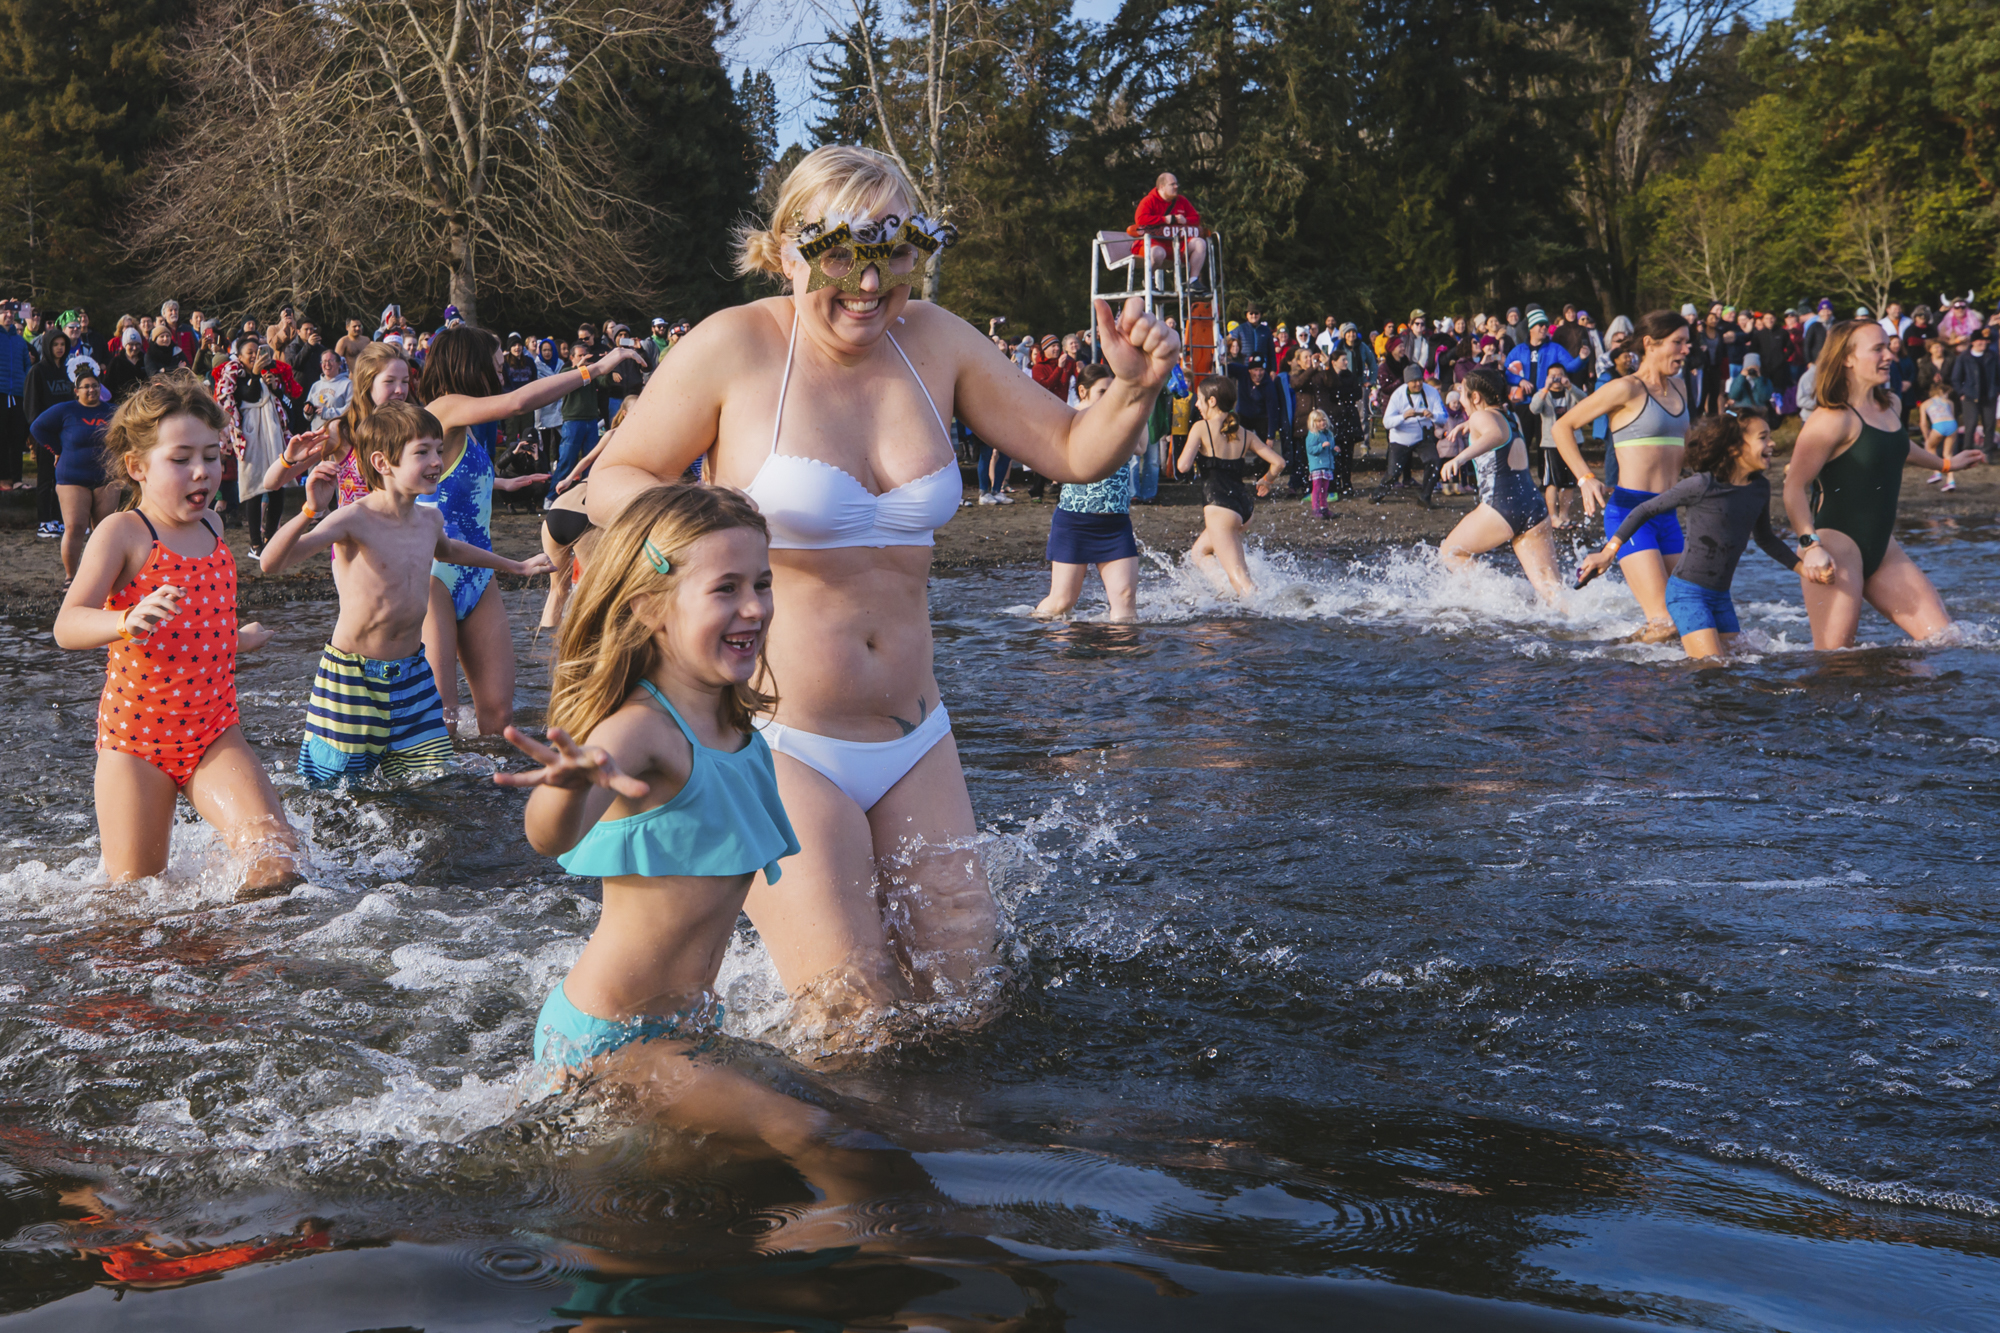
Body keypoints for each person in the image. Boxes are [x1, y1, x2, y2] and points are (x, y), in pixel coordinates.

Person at [583, 145, 1176, 1034]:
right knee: (858, 1023)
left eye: (894, 252)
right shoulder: (736, 346)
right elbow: (612, 478)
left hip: (916, 734)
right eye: (843, 254)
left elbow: (1073, 449)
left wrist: (1131, 391)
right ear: (789, 251)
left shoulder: (935, 340)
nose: (870, 282)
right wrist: (700, 523)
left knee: (970, 1008)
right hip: (780, 735)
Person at [51, 372, 299, 899]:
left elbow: (195, 624)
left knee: (276, 863)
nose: (202, 471)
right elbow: (66, 625)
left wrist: (235, 638)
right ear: (137, 467)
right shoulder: (125, 533)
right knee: (138, 902)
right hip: (135, 742)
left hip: (213, 730)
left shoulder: (212, 523)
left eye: (212, 456)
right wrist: (123, 620)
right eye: (181, 458)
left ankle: (246, 969)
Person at [259, 401, 554, 780]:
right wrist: (308, 511)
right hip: (352, 677)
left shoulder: (429, 518)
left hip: (413, 675)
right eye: (422, 452)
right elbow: (271, 563)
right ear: (383, 463)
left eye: (438, 449)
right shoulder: (355, 518)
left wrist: (516, 565)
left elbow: (450, 550)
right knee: (334, 788)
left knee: (432, 780)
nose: (436, 461)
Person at [416, 325, 621, 736]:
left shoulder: (465, 422)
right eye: (495, 361)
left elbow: (454, 482)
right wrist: (593, 369)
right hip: (434, 574)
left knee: (498, 717)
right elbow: (518, 402)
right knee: (444, 720)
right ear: (471, 363)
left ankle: (489, 792)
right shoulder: (444, 407)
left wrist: (504, 483)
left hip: (479, 573)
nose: (501, 369)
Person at [1782, 320, 1984, 649]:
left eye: (1889, 347)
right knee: (1836, 663)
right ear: (1847, 358)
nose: (1889, 355)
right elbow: (1793, 487)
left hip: (1883, 547)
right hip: (1835, 549)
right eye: (1877, 349)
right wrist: (1811, 545)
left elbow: (1899, 446)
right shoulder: (1831, 419)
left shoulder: (1889, 403)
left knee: (1946, 640)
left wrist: (1947, 463)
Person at [1577, 409, 1816, 659]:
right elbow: (1644, 510)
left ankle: (1641, 646)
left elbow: (1766, 539)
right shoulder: (1702, 485)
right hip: (1687, 594)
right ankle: (1621, 656)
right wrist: (1608, 552)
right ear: (1734, 448)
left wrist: (1805, 570)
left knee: (1741, 664)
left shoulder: (1759, 488)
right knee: (1713, 668)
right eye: (1763, 437)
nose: (1772, 443)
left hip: (1721, 597)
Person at [1548, 309, 1693, 641]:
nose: (1686, 350)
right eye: (1678, 342)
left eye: (1687, 343)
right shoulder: (1626, 388)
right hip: (1630, 513)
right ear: (1649, 344)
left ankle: (1630, 654)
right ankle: (1616, 669)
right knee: (1665, 623)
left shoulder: (1682, 388)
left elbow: (1683, 449)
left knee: (1689, 617)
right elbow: (1562, 426)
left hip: (1668, 514)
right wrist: (1585, 477)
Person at [1436, 368, 1565, 606]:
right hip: (1533, 506)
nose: (1461, 401)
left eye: (1463, 394)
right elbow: (1499, 431)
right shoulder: (1510, 416)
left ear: (1476, 397)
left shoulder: (1480, 418)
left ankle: (1501, 599)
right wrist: (1467, 427)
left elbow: (1494, 434)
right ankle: (1578, 621)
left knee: (1451, 552)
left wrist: (1459, 458)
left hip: (1501, 506)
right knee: (1551, 589)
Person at [1033, 363, 1144, 621]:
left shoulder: (1123, 417)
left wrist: (1139, 405)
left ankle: (1122, 659)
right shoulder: (1071, 417)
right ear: (1083, 391)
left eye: (1112, 392)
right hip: (1075, 521)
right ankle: (1030, 631)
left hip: (1115, 523)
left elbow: (1140, 447)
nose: (1109, 399)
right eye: (1102, 392)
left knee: (1125, 601)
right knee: (1061, 601)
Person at [1176, 373, 1286, 596]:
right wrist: (1267, 480)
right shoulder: (1244, 434)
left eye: (1199, 399)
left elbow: (1182, 467)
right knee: (1198, 553)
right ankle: (1226, 594)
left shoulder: (1201, 427)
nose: (1196, 404)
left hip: (1220, 509)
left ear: (1212, 401)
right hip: (1244, 508)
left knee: (1241, 578)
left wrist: (1190, 444)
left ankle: (1262, 611)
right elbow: (1279, 462)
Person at [31, 366, 117, 580]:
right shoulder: (65, 410)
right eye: (86, 387)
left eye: (95, 386)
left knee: (104, 530)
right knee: (75, 527)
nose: (91, 390)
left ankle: (100, 576)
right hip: (72, 477)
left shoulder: (113, 411)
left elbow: (130, 435)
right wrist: (56, 449)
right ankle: (71, 577)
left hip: (106, 478)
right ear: (76, 390)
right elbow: (37, 428)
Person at [1374, 365, 1444, 507]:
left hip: (1423, 435)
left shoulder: (1431, 392)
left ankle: (1425, 497)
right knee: (1393, 472)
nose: (1418, 384)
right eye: (1413, 381)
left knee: (1434, 461)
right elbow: (1386, 422)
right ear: (1407, 382)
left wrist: (1434, 416)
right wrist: (1402, 417)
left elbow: (1444, 417)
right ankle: (1377, 494)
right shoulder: (1397, 395)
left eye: (1420, 380)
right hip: (1400, 437)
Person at [1131, 172, 1209, 294]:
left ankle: (1193, 281)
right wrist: (1164, 219)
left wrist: (1186, 220)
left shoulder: (1182, 200)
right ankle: (1149, 280)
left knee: (1200, 243)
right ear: (1161, 187)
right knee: (1157, 252)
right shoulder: (1149, 200)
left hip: (1176, 246)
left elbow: (1196, 218)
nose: (1176, 187)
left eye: (1177, 184)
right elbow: (1140, 220)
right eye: (1172, 184)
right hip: (1153, 244)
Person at [1528, 366, 1584, 528]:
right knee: (1552, 481)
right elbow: (1534, 409)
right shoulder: (1542, 394)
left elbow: (1585, 400)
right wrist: (1546, 388)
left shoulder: (1571, 393)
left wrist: (1570, 386)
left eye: (1560, 375)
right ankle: (1552, 517)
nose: (1557, 379)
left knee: (1569, 482)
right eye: (1553, 376)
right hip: (1551, 443)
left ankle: (1564, 515)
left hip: (1572, 441)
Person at [1303, 408, 1340, 517]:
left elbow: (1330, 451)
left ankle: (1324, 508)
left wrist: (1335, 450)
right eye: (1319, 421)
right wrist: (1321, 446)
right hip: (1317, 466)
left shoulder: (1328, 434)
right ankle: (1315, 509)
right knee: (1317, 488)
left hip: (1326, 466)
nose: (1322, 422)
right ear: (1313, 423)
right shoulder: (1313, 435)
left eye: (1323, 420)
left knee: (1325, 489)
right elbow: (1310, 450)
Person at [305, 350, 352, 424]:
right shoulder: (316, 385)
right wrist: (308, 412)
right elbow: (308, 416)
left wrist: (327, 413)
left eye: (330, 361)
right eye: (324, 361)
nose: (327, 364)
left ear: (339, 364)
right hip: (316, 432)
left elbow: (351, 410)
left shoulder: (348, 384)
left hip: (337, 432)